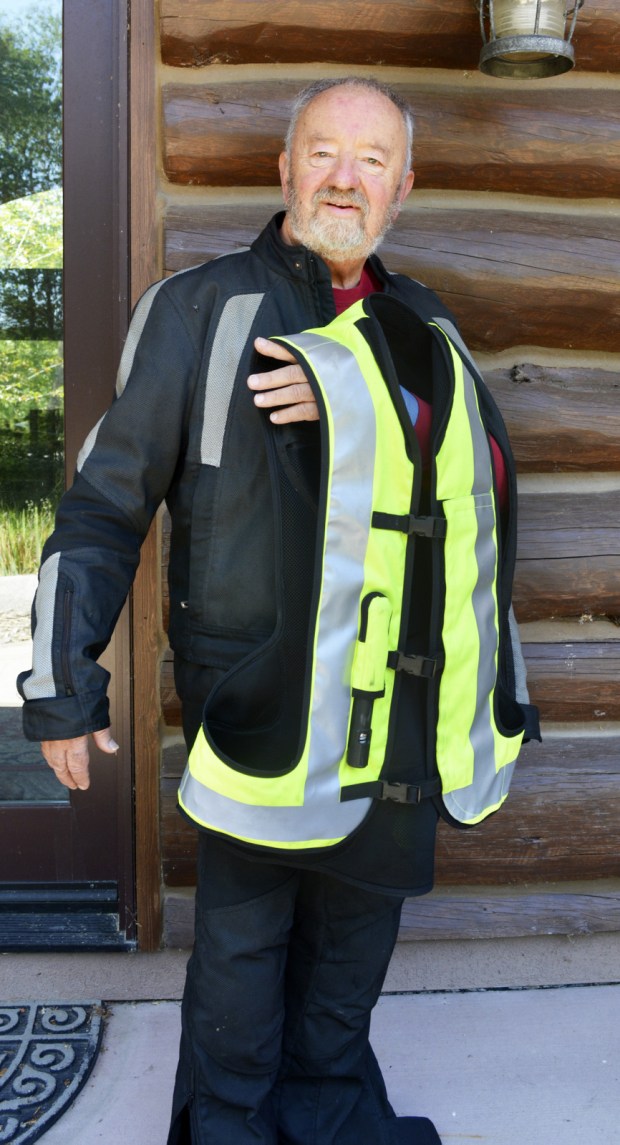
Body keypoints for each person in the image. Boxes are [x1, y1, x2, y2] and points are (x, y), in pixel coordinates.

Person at [19, 77, 538, 1144]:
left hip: (396, 705)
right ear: (285, 168)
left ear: (402, 186)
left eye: (371, 160)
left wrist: (373, 399)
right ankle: (230, 1126)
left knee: (352, 949)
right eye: (323, 153)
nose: (345, 179)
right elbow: (105, 503)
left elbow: (483, 484)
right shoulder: (198, 309)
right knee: (241, 956)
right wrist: (65, 682)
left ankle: (330, 1114)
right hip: (256, 703)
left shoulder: (424, 326)